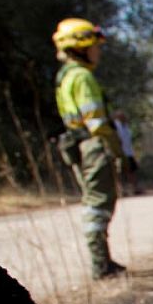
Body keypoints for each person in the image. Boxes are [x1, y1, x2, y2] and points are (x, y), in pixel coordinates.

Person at [52, 18, 125, 279]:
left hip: (78, 144)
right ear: (81, 47)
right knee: (98, 204)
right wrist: (115, 147)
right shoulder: (82, 77)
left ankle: (103, 260)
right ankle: (100, 264)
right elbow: (95, 121)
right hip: (93, 146)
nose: (98, 52)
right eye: (94, 46)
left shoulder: (65, 76)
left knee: (94, 202)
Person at [111, 110, 141, 196]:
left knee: (131, 171)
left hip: (129, 152)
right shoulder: (116, 125)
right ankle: (120, 190)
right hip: (120, 152)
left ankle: (135, 188)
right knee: (119, 172)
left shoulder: (126, 126)